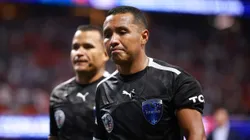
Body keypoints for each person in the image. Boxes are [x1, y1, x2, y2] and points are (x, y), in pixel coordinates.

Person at [94, 6, 206, 140]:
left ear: (144, 37)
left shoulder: (176, 80)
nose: (113, 41)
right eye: (107, 35)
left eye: (122, 32)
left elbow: (196, 135)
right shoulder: (102, 89)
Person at [49, 25, 109, 140]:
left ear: (105, 54)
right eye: (75, 47)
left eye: (88, 47)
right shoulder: (58, 94)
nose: (79, 52)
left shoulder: (116, 91)